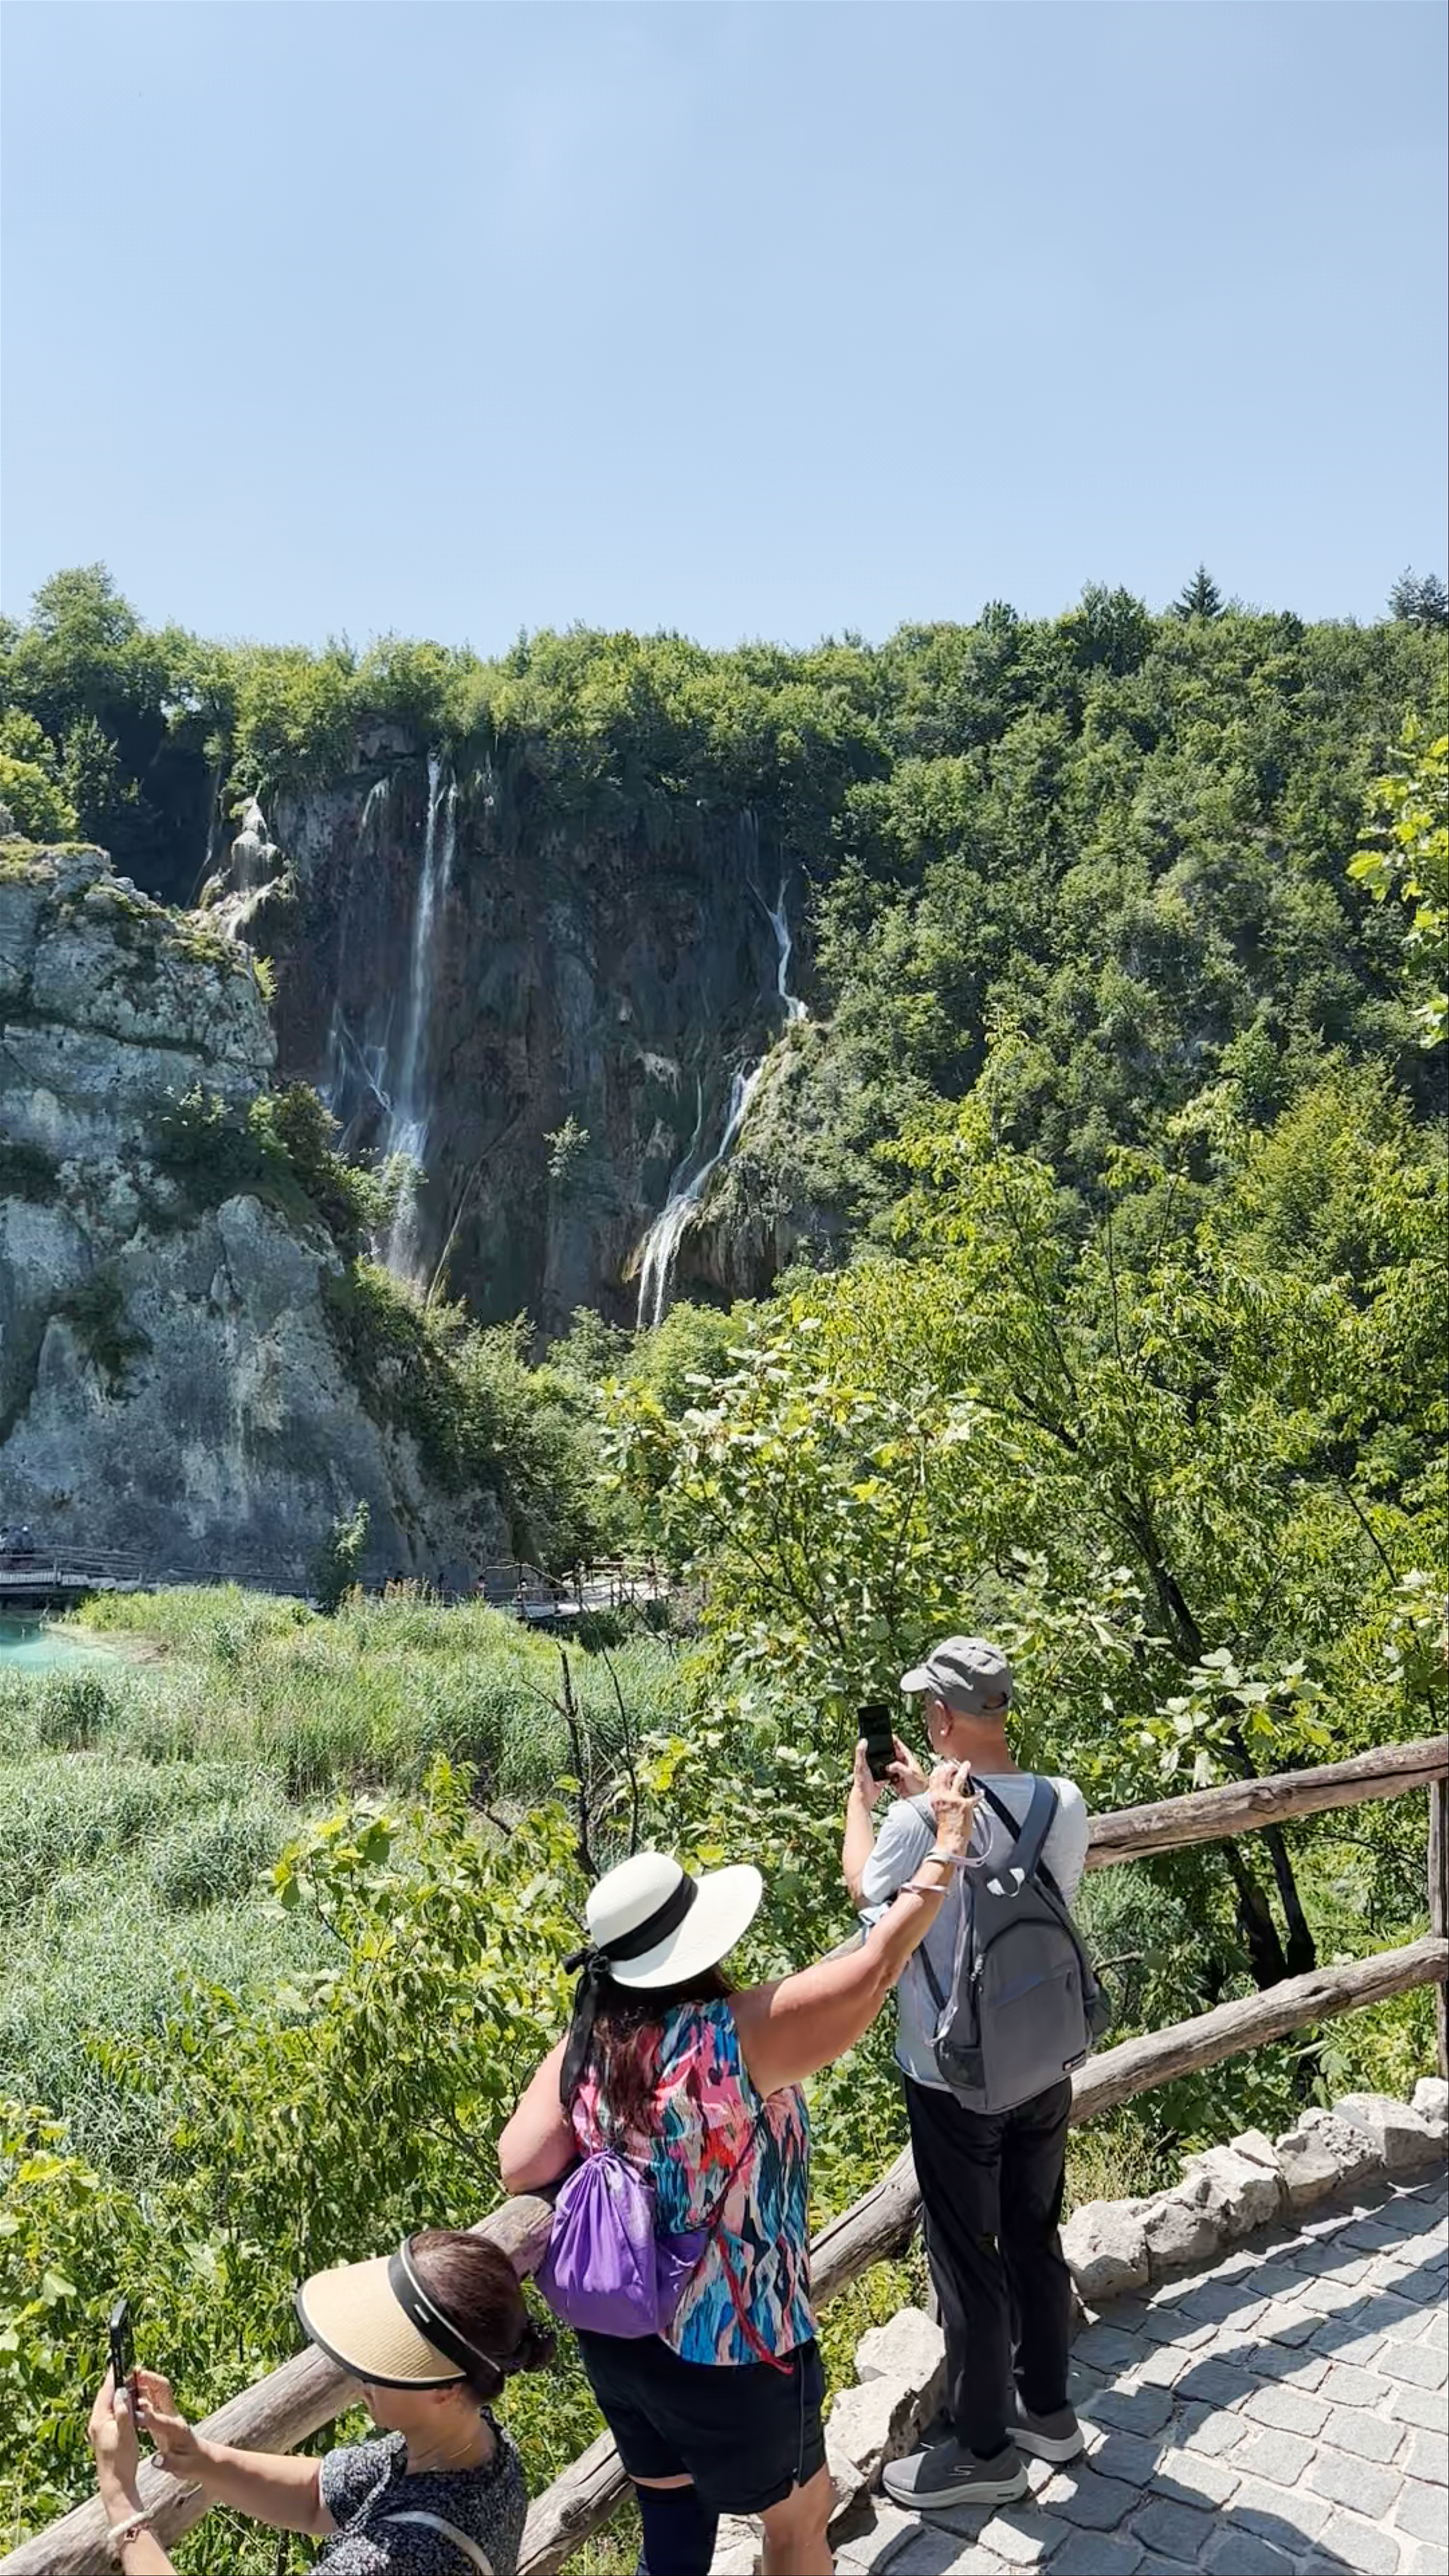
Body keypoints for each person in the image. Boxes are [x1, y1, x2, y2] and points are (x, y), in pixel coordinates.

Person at [498, 1761, 980, 2576]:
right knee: (798, 2525)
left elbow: (521, 2163)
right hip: (739, 2346)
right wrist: (948, 1844)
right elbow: (874, 1969)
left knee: (673, 2526)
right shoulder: (732, 2037)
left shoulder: (589, 2040)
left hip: (624, 2338)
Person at [841, 1636, 1090, 2514]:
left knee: (964, 2258)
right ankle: (1049, 2413)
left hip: (952, 2073)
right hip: (1043, 2058)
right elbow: (1011, 1878)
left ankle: (985, 2448)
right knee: (1032, 2230)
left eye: (924, 1707)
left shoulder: (915, 1822)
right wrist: (923, 1800)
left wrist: (864, 1800)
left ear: (943, 1717)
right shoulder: (1061, 1802)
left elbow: (864, 1893)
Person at [86, 2227, 553, 2573]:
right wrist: (196, 2455)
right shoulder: (480, 2448)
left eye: (385, 2361)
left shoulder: (398, 2556)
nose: (359, 2373)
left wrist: (120, 2497)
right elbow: (319, 2495)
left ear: (445, 2387)